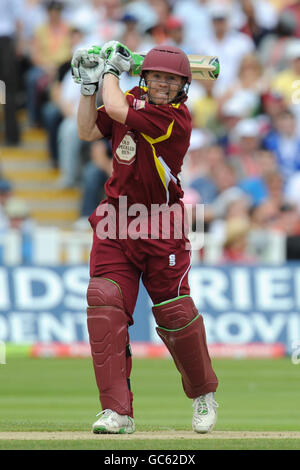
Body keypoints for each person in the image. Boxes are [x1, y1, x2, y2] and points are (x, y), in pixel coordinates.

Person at [72, 41, 219, 434]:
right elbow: (88, 129)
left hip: (160, 224)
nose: (162, 85)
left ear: (182, 87)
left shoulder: (175, 119)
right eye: (156, 76)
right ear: (145, 76)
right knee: (104, 302)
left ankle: (203, 393)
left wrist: (108, 72)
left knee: (174, 313)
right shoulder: (129, 95)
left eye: (171, 80)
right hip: (115, 220)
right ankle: (117, 412)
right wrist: (89, 87)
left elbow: (119, 109)